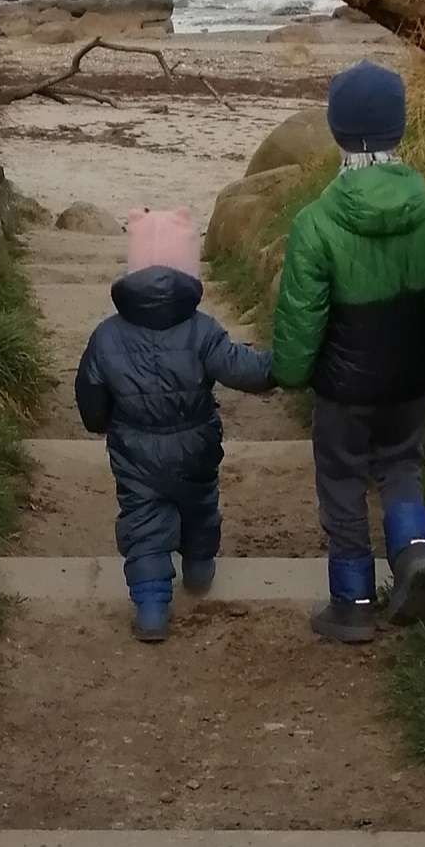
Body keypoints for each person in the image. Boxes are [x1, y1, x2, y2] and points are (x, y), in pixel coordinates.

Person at [269, 61, 425, 645]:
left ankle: (354, 603)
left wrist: (289, 373)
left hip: (343, 389)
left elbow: (301, 316)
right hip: (409, 381)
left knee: (341, 483)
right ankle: (415, 553)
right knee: (400, 466)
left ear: (336, 131)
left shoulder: (315, 223)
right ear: (399, 130)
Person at [74, 209, 275, 644]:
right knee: (200, 505)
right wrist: (282, 364)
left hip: (134, 450)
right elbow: (244, 369)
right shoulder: (202, 330)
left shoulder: (107, 336)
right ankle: (199, 567)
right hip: (196, 446)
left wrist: (100, 422)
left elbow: (89, 389)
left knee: (143, 522)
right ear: (189, 274)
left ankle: (150, 609)